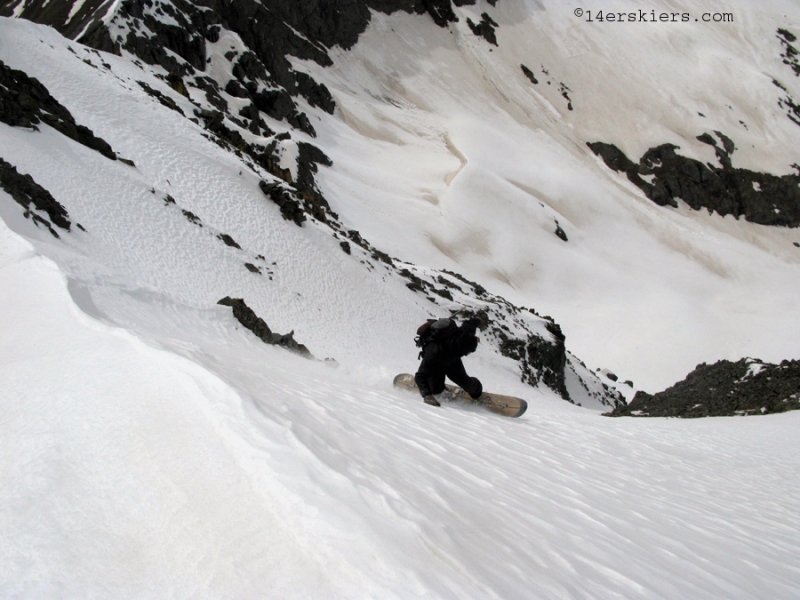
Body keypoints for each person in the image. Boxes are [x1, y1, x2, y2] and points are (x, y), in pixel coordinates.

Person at [415, 317, 483, 407]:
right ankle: (436, 388)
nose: (468, 354)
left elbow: (468, 325)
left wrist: (476, 321)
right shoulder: (434, 351)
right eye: (468, 352)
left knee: (466, 383)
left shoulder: (464, 334)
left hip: (452, 359)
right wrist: (427, 396)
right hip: (437, 363)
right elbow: (420, 375)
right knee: (436, 390)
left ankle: (477, 394)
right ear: (462, 349)